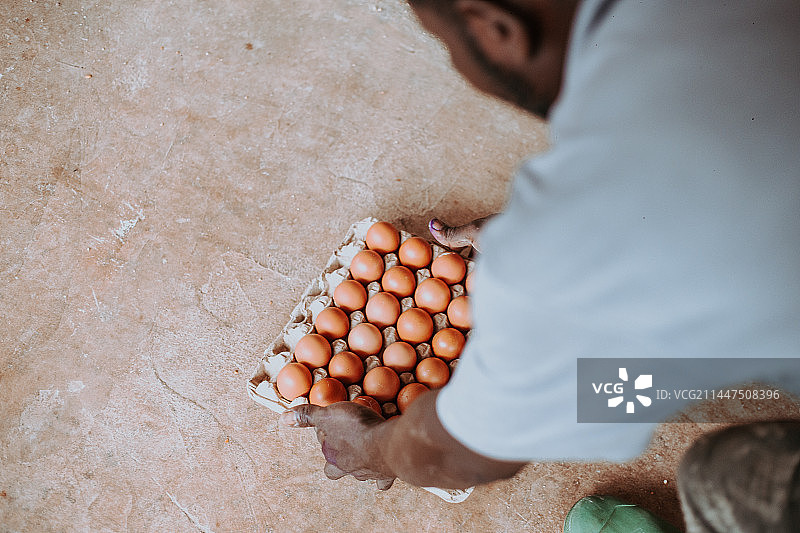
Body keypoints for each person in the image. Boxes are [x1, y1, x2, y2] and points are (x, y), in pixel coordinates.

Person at [281, 1, 800, 531]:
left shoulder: (550, 256)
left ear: (495, 27)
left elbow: (468, 453)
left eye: (446, 43)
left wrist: (373, 449)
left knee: (718, 471)